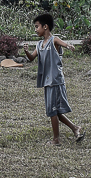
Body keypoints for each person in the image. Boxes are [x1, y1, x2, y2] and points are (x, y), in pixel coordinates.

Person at [23, 13, 84, 145]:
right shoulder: (39, 45)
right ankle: (75, 128)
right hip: (47, 81)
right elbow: (31, 58)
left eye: (37, 27)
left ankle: (56, 139)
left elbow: (64, 43)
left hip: (55, 80)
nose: (35, 29)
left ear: (45, 27)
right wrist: (27, 51)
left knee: (52, 111)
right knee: (54, 111)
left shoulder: (54, 40)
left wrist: (69, 46)